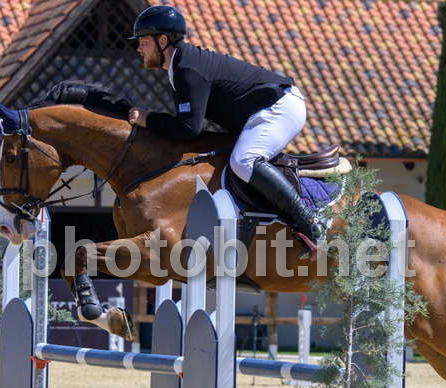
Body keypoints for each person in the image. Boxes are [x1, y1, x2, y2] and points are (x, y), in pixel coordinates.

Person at [126, 5, 325, 247]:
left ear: (163, 41)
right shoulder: (180, 66)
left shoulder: (187, 70)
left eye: (144, 42)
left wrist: (148, 119)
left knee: (244, 161)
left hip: (279, 107)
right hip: (264, 110)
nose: (139, 48)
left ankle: (310, 222)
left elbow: (188, 128)